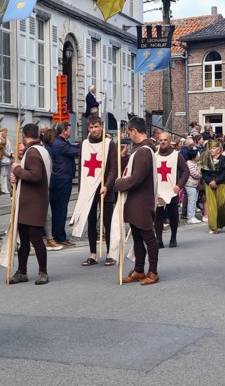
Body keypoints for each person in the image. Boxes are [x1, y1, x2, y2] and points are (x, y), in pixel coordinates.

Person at [3, 123, 52, 285]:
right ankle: (22, 271)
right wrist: (16, 178)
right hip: (27, 202)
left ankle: (42, 272)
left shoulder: (32, 153)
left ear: (24, 136)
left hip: (33, 203)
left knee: (35, 239)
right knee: (23, 240)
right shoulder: (40, 149)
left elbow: (35, 176)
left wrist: (17, 170)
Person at [114, 117, 160, 285]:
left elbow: (136, 178)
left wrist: (119, 184)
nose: (128, 135)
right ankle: (139, 270)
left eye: (129, 132)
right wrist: (124, 158)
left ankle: (153, 271)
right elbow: (132, 170)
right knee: (138, 238)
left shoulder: (144, 151)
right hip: (135, 202)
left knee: (149, 237)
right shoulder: (139, 150)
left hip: (141, 202)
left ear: (134, 131)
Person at [70, 115, 118, 266]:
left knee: (107, 222)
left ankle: (111, 253)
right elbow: (82, 168)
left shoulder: (109, 144)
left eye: (96, 126)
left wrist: (107, 186)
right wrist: (81, 192)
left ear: (101, 126)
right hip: (89, 189)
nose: (93, 130)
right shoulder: (84, 144)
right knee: (90, 222)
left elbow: (113, 168)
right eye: (91, 127)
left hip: (105, 189)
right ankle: (93, 254)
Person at [154, 132, 189, 248]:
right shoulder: (155, 156)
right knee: (158, 215)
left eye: (165, 140)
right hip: (158, 190)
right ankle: (158, 239)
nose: (163, 142)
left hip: (172, 190)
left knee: (173, 214)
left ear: (169, 141)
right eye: (161, 140)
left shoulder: (176, 155)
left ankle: (173, 237)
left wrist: (179, 185)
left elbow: (185, 171)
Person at [50, 122, 79, 246]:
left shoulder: (59, 142)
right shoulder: (60, 144)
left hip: (59, 177)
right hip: (62, 178)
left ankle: (56, 234)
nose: (70, 132)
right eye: (69, 130)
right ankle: (60, 237)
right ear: (64, 131)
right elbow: (74, 151)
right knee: (61, 208)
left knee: (58, 209)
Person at [201, 139, 225, 234]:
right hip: (209, 184)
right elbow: (204, 173)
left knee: (221, 204)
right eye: (210, 148)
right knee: (212, 206)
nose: (212, 150)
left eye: (214, 148)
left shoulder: (224, 159)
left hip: (221, 184)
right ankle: (213, 227)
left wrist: (216, 181)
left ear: (218, 150)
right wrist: (210, 181)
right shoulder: (206, 160)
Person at [184, 150, 202, 224]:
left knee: (194, 200)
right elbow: (195, 174)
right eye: (197, 155)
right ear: (193, 156)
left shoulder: (195, 163)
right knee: (191, 201)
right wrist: (200, 174)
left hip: (194, 184)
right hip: (190, 184)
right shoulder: (189, 164)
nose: (198, 156)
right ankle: (190, 217)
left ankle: (192, 215)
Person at [0, 127, 14, 196]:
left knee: (6, 174)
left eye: (6, 132)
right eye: (4, 132)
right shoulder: (0, 140)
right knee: (2, 173)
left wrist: (12, 153)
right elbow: (3, 150)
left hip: (8, 159)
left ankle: (5, 188)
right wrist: (9, 154)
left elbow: (10, 148)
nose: (6, 133)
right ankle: (2, 188)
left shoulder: (7, 140)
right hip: (3, 158)